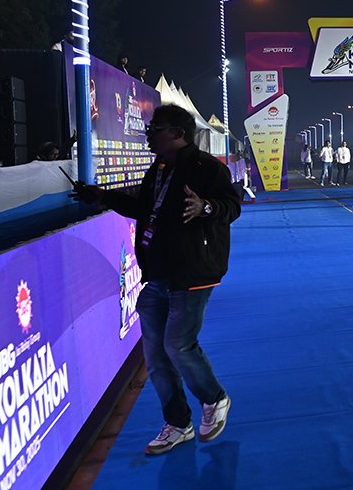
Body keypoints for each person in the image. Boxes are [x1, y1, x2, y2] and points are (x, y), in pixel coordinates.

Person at [70, 104, 239, 455]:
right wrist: (100, 196)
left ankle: (214, 398)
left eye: (155, 129)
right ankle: (178, 423)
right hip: (157, 274)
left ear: (177, 133)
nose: (149, 134)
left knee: (178, 345)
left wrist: (205, 207)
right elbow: (144, 209)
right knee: (156, 356)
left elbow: (231, 206)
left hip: (192, 273)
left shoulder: (207, 168)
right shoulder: (159, 168)